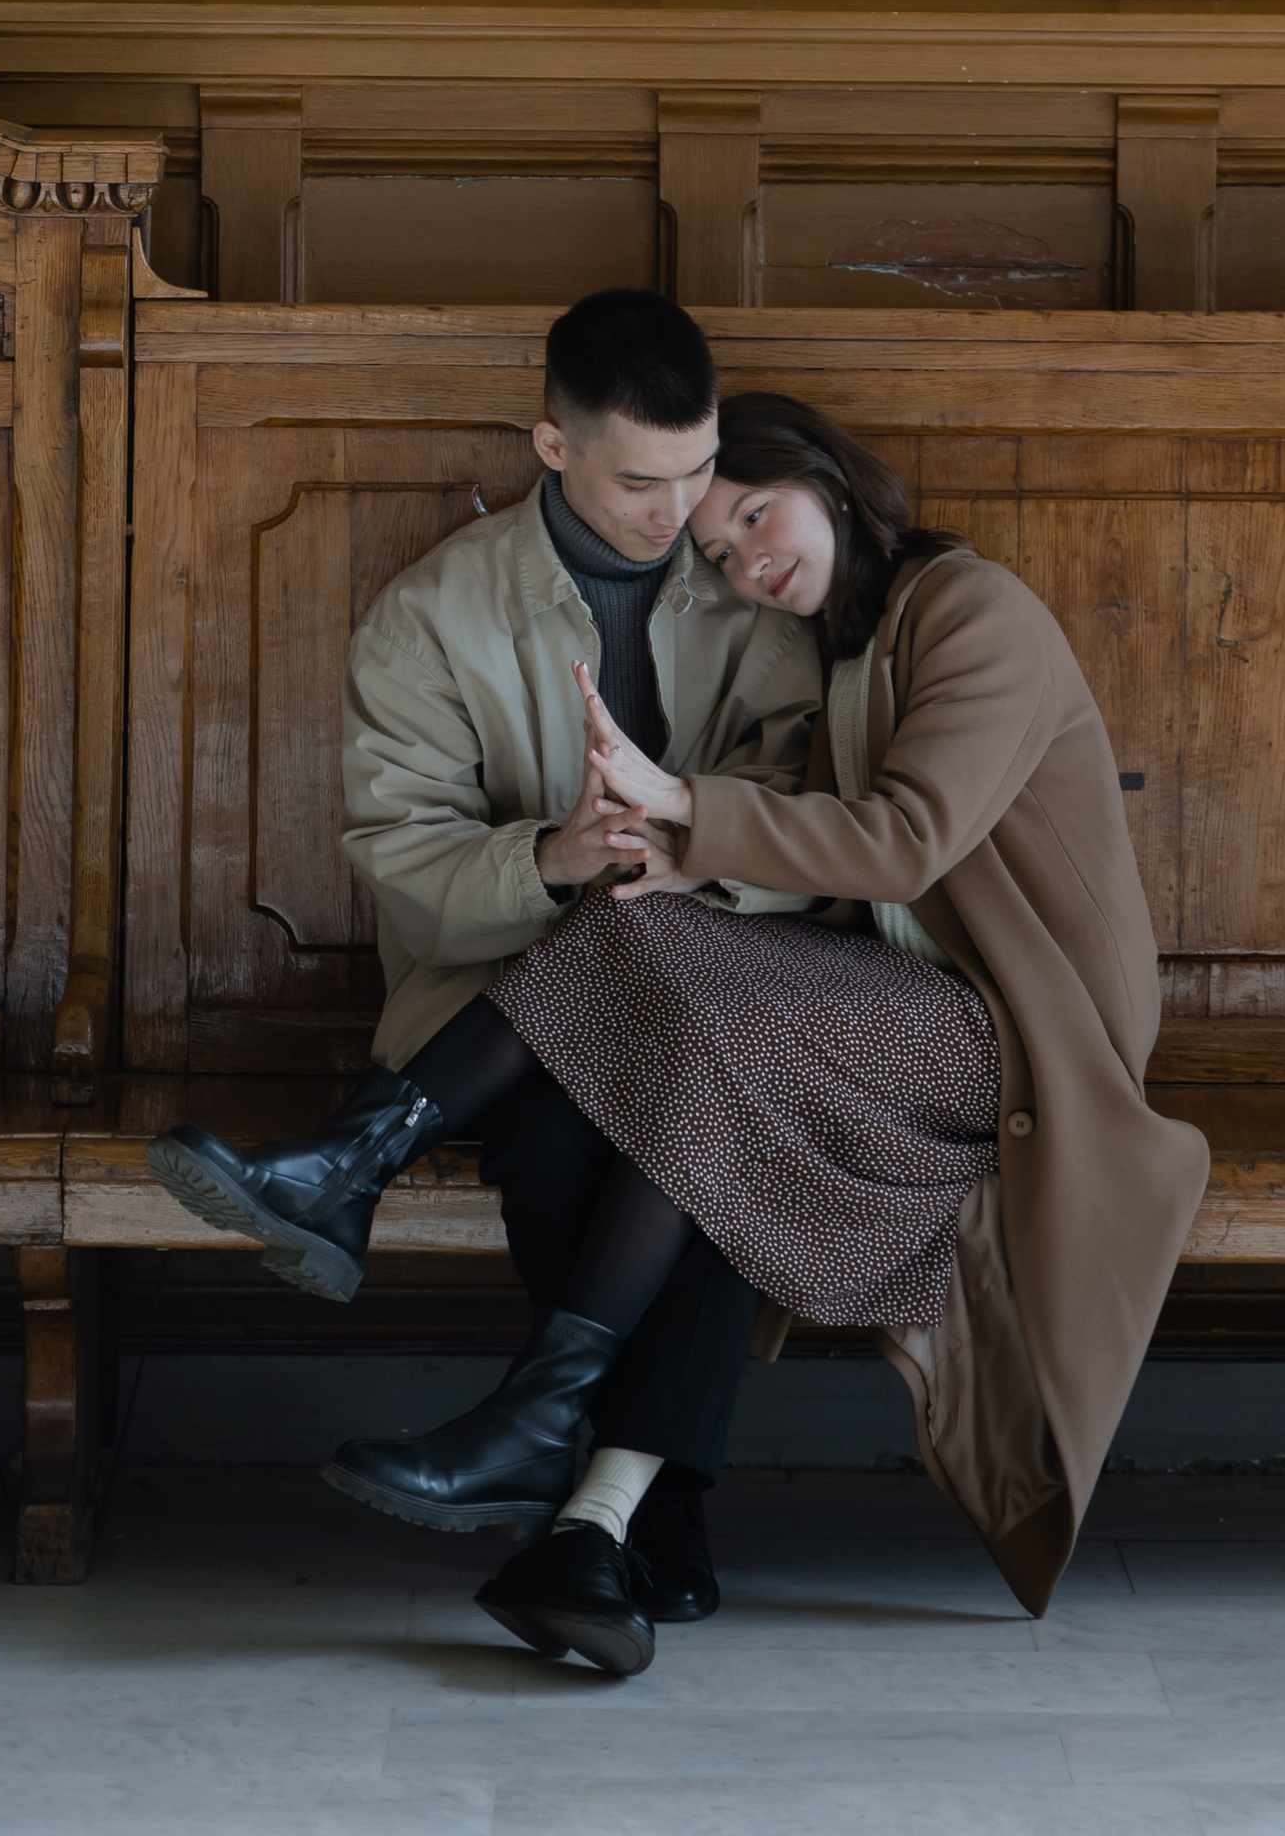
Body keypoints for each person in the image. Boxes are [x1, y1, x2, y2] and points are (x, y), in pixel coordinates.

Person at [445, 387, 1212, 1619]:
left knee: (709, 1052)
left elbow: (904, 845)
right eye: (720, 555)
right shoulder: (854, 646)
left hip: (1020, 1035)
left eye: (754, 515)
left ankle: (420, 1240)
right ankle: (588, 1485)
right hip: (903, 998)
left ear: (826, 480)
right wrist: (691, 867)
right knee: (652, 963)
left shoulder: (972, 608)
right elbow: (827, 872)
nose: (750, 562)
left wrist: (681, 797)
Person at [146, 290, 822, 1675]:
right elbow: (404, 864)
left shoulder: (752, 592)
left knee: (696, 1082)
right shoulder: (437, 614)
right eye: (642, 479)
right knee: (605, 1119)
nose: (678, 507)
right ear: (551, 446)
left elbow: (822, 821)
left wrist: (697, 851)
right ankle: (639, 1510)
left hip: (732, 981)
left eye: (699, 471)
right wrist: (554, 855)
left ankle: (570, 1458)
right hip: (498, 1010)